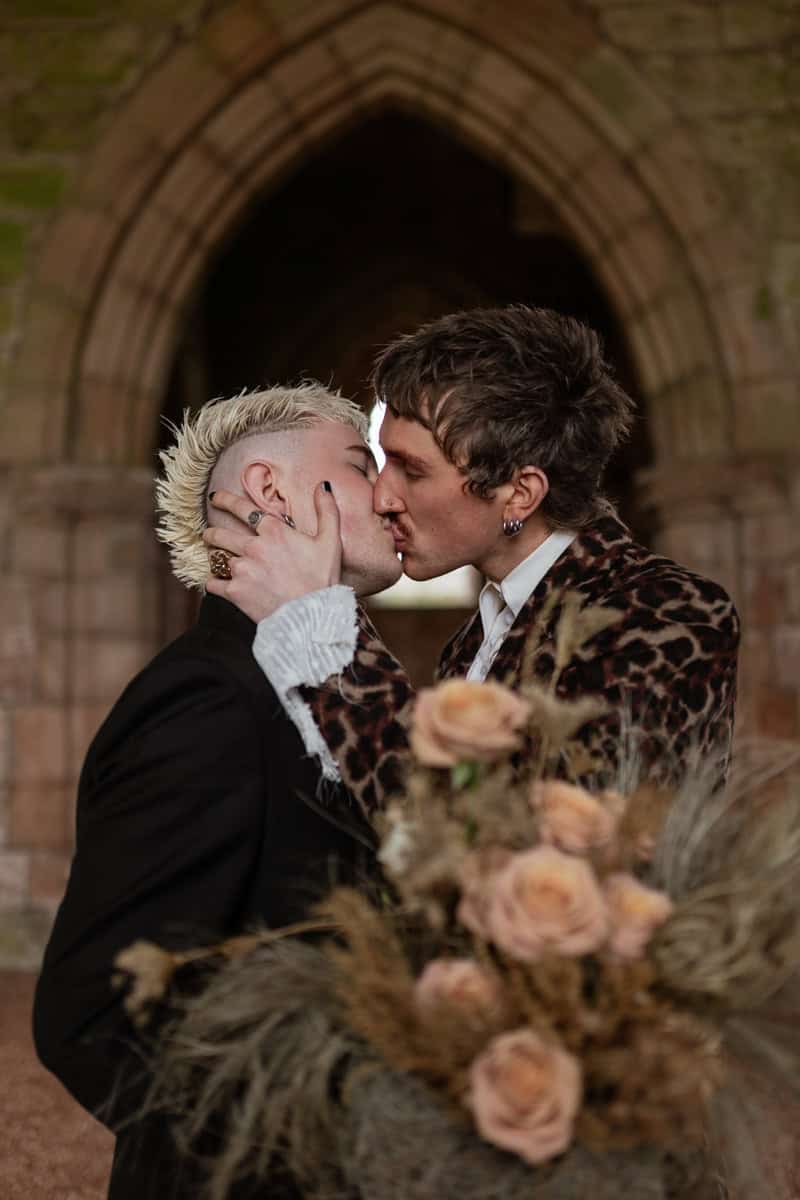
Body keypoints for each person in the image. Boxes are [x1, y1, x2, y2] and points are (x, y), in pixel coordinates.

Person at [33, 383, 402, 1200]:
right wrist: (282, 1158)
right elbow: (88, 1009)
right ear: (272, 492)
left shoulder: (339, 680)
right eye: (361, 462)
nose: (390, 490)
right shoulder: (210, 699)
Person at [203, 306, 740, 810]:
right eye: (379, 461)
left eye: (412, 470)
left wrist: (318, 618)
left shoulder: (669, 613)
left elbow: (496, 837)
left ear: (519, 494)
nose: (382, 497)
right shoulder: (473, 642)